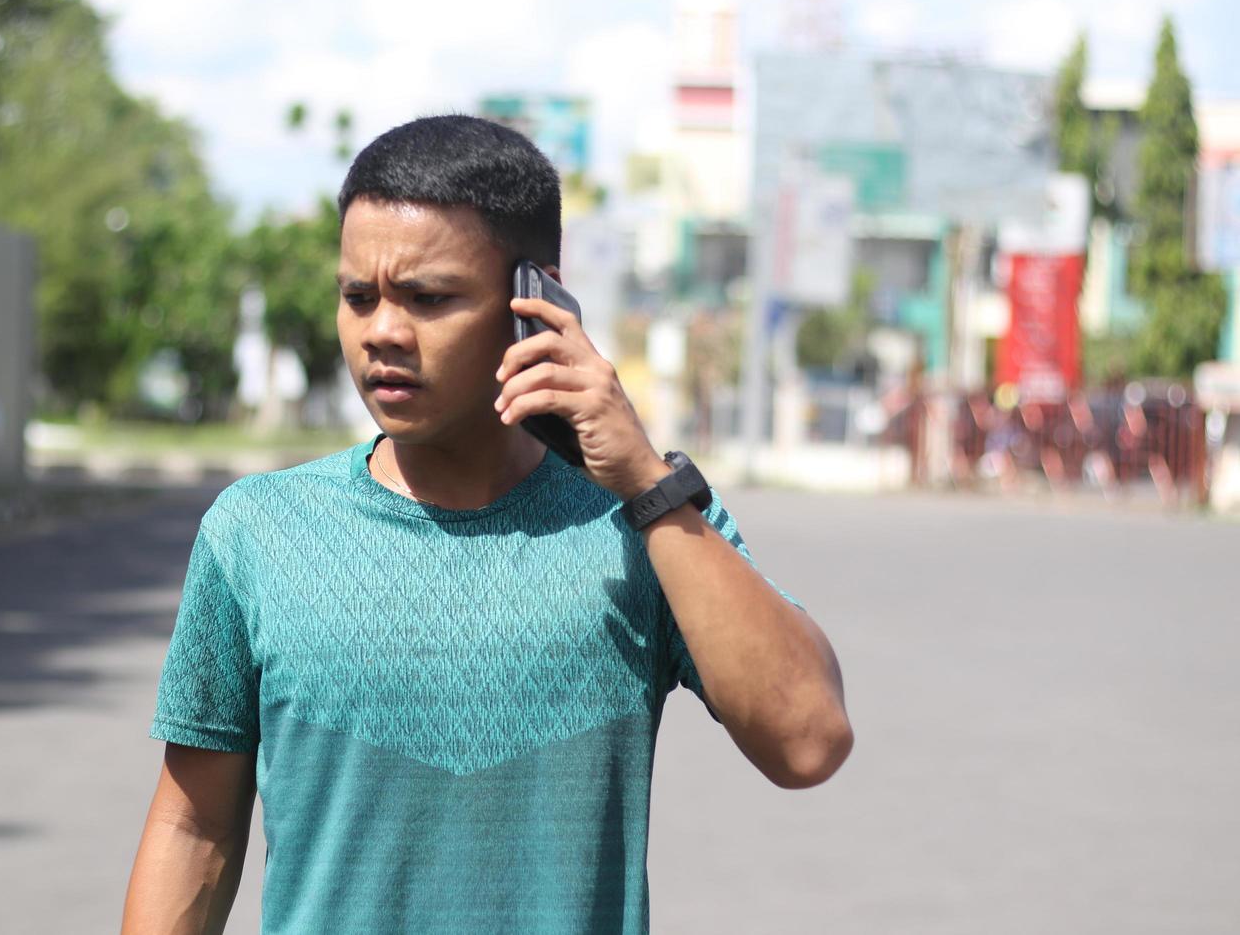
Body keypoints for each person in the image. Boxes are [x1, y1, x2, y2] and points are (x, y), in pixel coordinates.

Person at [121, 115, 852, 934]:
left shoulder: (648, 520)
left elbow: (807, 741)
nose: (382, 331)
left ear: (533, 302)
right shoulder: (256, 531)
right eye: (358, 296)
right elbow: (194, 826)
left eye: (428, 298)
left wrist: (647, 482)